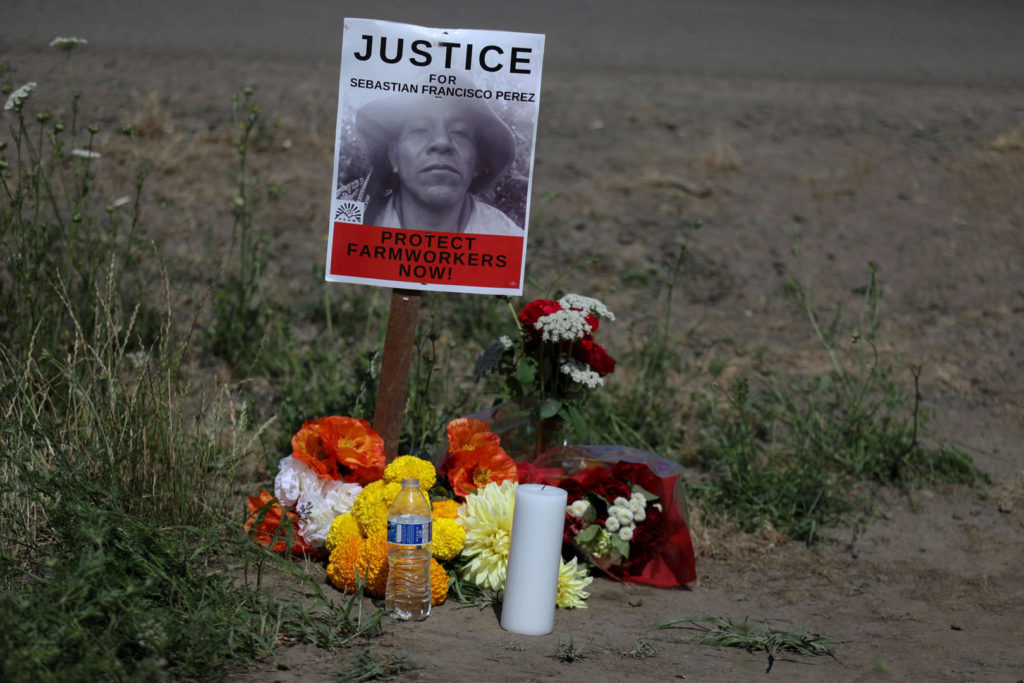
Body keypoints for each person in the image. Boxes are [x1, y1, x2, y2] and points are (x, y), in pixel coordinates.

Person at [343, 92, 523, 236]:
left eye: (459, 132)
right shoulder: (345, 221)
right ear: (394, 158)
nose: (442, 142)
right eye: (420, 129)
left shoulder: (506, 238)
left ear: (477, 163)